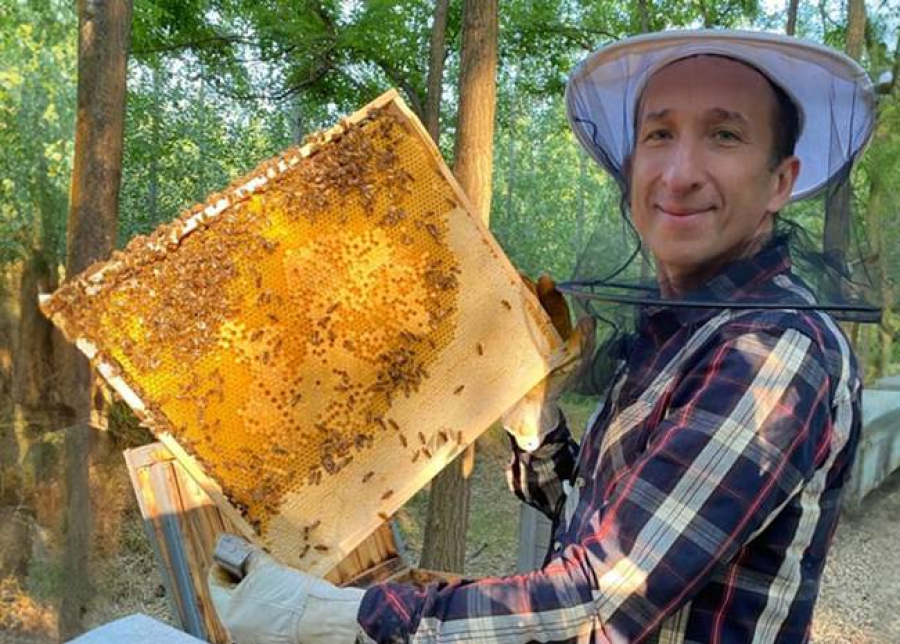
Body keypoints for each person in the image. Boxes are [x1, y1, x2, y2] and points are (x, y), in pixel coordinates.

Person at [208, 30, 876, 644]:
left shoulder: (774, 352)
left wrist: (333, 618)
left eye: (724, 136)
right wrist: (535, 422)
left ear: (780, 182)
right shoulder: (681, 331)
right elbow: (598, 519)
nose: (678, 174)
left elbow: (598, 600)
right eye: (659, 134)